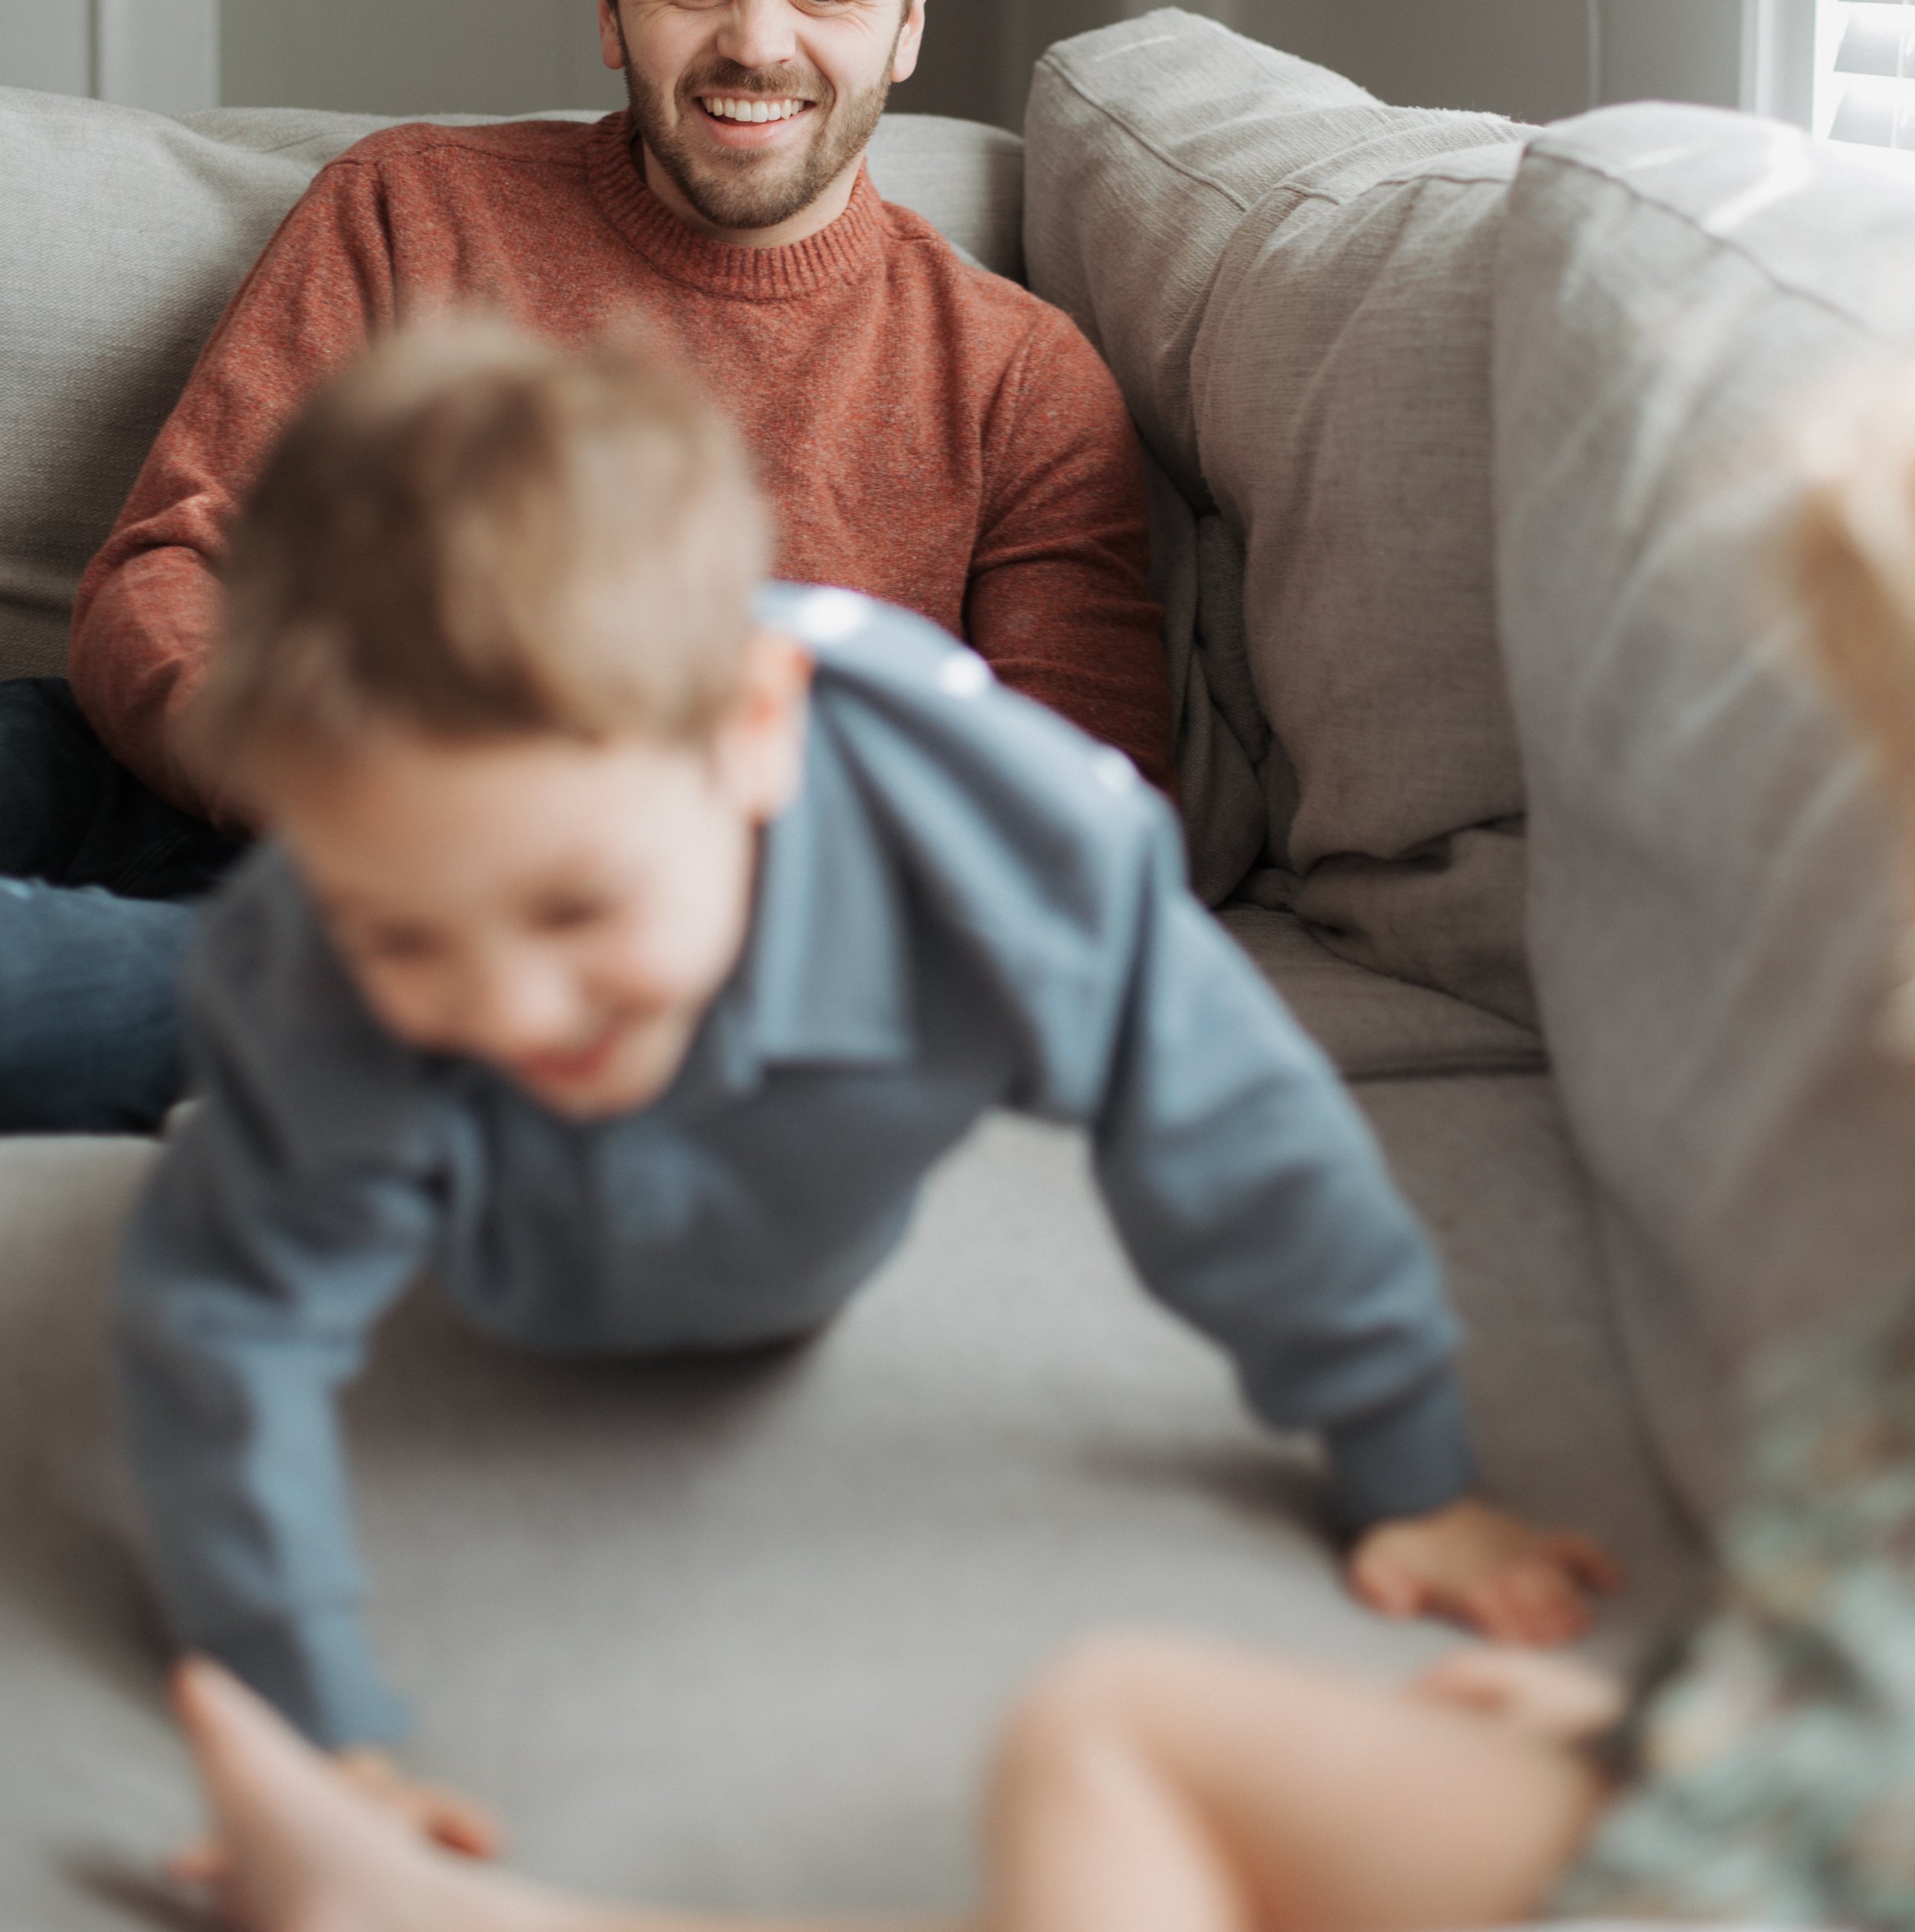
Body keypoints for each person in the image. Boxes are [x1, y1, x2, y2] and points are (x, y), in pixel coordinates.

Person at [152, 355, 1915, 1932]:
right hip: (492, 1256)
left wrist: (1405, 1465)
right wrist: (317, 1715)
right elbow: (225, 1324)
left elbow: (1227, 1127)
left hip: (788, 1205)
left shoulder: (996, 838)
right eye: (408, 934)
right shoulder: (321, 947)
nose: (513, 1004)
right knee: (164, 1001)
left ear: (752, 737)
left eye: (572, 906)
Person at [1, 0, 1170, 1136]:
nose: (757, 42)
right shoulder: (409, 206)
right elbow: (168, 563)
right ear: (610, 4)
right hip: (243, 786)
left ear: (908, 22)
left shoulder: (1019, 378)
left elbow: (1067, 836)